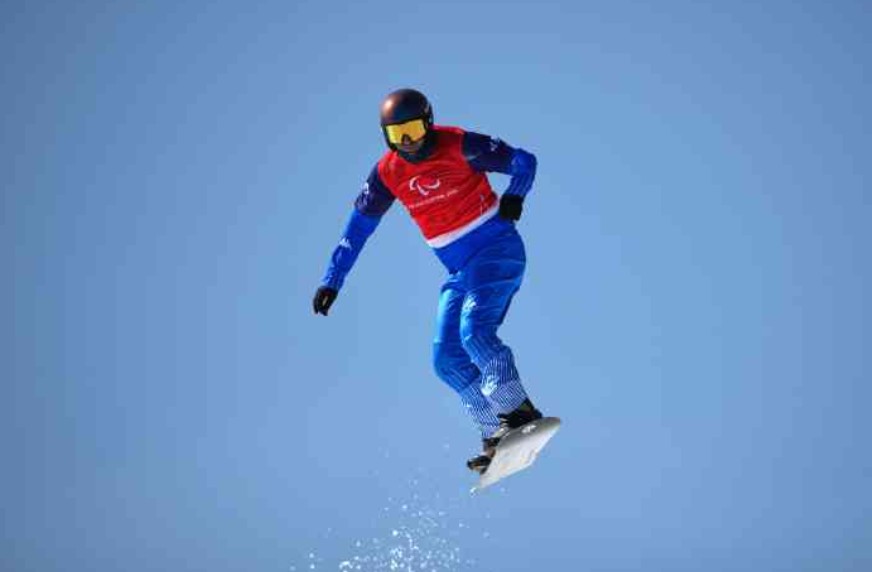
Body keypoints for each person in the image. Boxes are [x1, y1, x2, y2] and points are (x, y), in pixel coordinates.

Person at [313, 88, 544, 473]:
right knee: (446, 358)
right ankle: (495, 433)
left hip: (496, 251)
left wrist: (515, 195)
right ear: (386, 137)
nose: (409, 141)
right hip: (459, 272)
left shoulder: (460, 145)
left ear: (429, 123)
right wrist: (332, 280)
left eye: (415, 130)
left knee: (475, 332)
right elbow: (358, 229)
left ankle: (519, 412)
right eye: (398, 134)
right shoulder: (387, 174)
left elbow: (524, 160)